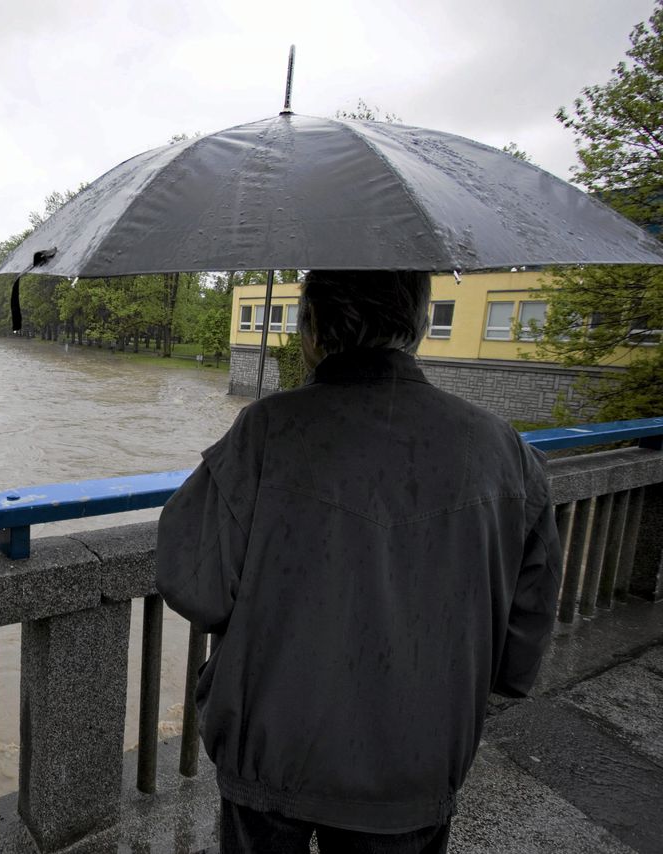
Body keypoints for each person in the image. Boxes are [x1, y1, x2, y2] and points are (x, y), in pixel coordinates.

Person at [154, 270, 562, 854]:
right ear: (420, 324)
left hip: (272, 741)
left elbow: (196, 583)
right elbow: (527, 624)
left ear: (311, 328)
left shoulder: (266, 429)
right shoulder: (505, 450)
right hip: (417, 754)